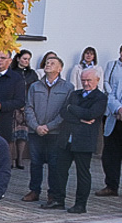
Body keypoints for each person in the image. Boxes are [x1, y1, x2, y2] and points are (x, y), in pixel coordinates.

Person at [46, 68, 107, 213]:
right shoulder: (75, 94)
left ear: (97, 80)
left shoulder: (100, 97)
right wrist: (80, 117)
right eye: (83, 80)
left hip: (84, 141)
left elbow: (91, 114)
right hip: (66, 139)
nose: (85, 83)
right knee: (59, 171)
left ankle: (80, 204)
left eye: (89, 80)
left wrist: (72, 109)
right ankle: (58, 200)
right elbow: (64, 112)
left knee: (83, 173)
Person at [23, 53, 73, 203]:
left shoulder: (68, 87)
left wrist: (49, 126)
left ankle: (53, 193)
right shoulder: (35, 86)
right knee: (36, 162)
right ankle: (34, 190)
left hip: (55, 132)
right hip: (35, 131)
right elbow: (28, 107)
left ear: (60, 68)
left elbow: (65, 111)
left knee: (54, 163)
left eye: (52, 63)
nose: (48, 64)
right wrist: (36, 126)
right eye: (47, 62)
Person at [98, 45, 122, 197]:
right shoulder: (112, 66)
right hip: (114, 116)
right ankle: (111, 185)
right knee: (110, 154)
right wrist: (118, 108)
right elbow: (107, 87)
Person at [10, 49, 40, 169]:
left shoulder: (32, 74)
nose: (26, 61)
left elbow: (36, 89)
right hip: (14, 106)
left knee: (22, 134)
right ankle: (11, 158)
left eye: (28, 59)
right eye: (24, 58)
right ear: (18, 59)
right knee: (12, 134)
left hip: (27, 106)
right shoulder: (12, 72)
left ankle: (20, 158)